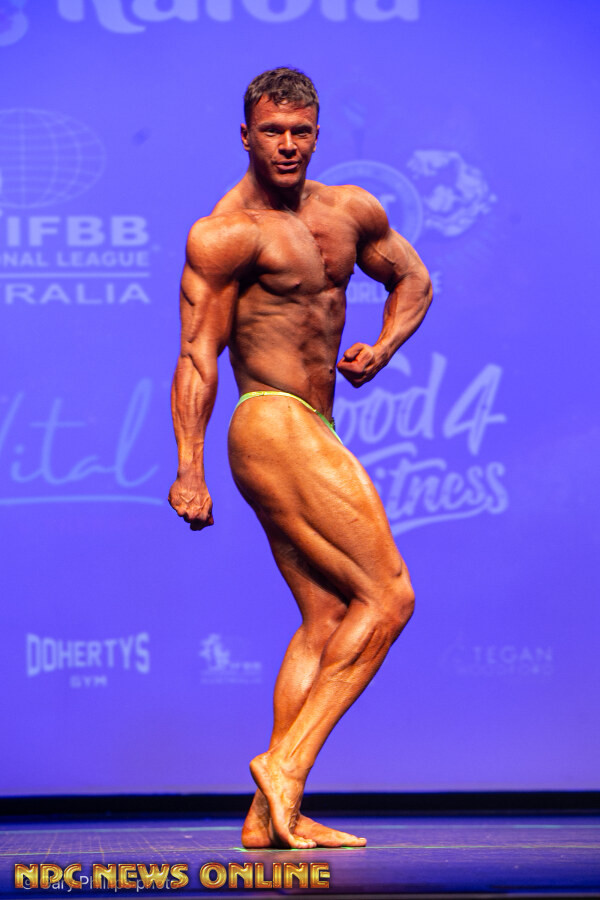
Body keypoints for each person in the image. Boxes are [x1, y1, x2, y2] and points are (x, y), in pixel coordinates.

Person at [168, 68, 433, 850]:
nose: (287, 145)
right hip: (270, 419)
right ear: (246, 136)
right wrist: (189, 468)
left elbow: (413, 278)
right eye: (272, 132)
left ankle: (265, 817)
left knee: (327, 617)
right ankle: (285, 764)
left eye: (300, 132)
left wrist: (383, 347)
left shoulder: (349, 210)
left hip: (316, 422)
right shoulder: (226, 233)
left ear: (316, 134)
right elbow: (196, 356)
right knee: (389, 596)